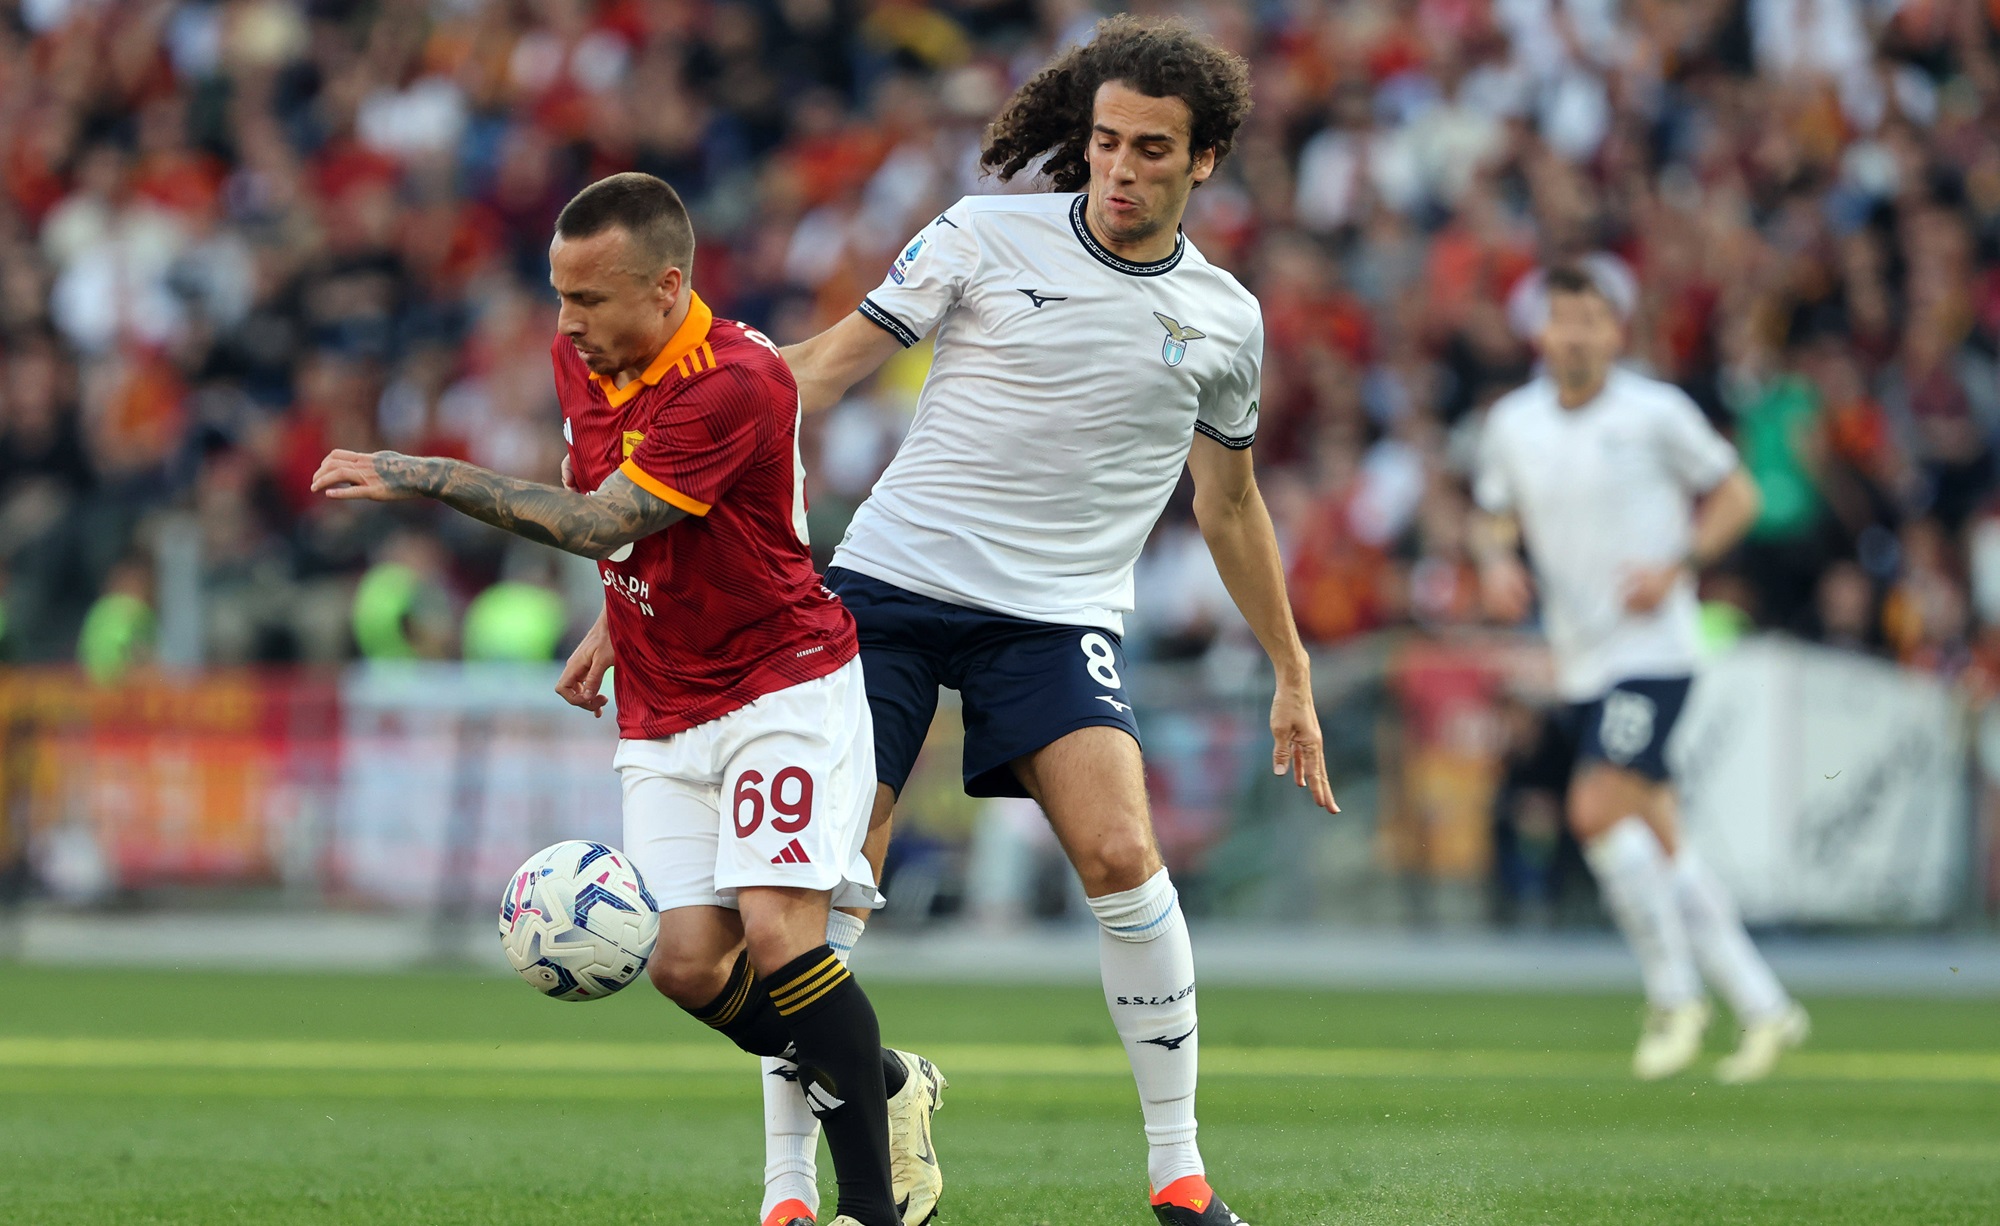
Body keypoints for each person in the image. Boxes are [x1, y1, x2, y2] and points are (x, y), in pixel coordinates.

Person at [769, 18, 1339, 1226]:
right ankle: (786, 1191)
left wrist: (1289, 670)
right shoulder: (981, 233)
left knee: (1125, 858)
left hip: (1053, 616)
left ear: (1206, 161)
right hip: (888, 589)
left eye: (1148, 150)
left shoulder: (1224, 320)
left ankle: (1178, 1177)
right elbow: (823, 369)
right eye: (1102, 143)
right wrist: (708, 410)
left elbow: (1229, 506)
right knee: (820, 888)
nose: (1118, 170)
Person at [310, 172, 942, 1226]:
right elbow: (655, 525)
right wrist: (620, 617)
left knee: (781, 937)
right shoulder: (585, 354)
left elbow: (604, 521)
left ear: (665, 286)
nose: (567, 324)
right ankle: (888, 1083)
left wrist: (417, 471)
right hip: (662, 699)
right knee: (689, 964)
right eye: (559, 296)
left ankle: (869, 1208)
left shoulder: (734, 381)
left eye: (589, 299)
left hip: (779, 683)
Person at [1473, 264, 1811, 1083]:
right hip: (1582, 657)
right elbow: (1492, 514)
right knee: (1663, 838)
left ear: (1617, 333)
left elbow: (1738, 494)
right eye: (1564, 319)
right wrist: (1492, 563)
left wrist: (1678, 564)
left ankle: (1675, 997)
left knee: (1593, 807)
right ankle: (1766, 1007)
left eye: (1593, 320)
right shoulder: (1514, 424)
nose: (1578, 334)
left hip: (1655, 651)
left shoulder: (1655, 412)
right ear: (1542, 333)